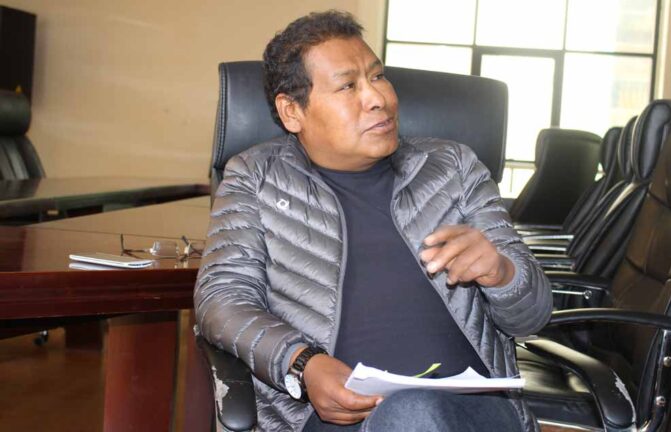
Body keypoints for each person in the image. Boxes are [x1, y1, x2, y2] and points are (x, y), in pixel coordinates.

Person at [195, 10, 552, 432]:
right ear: (292, 112)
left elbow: (532, 317)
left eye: (378, 76)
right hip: (329, 415)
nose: (378, 98)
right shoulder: (255, 178)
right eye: (348, 86)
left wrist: (502, 273)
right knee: (408, 415)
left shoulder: (453, 166)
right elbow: (222, 299)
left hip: (471, 411)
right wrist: (303, 363)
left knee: (413, 414)